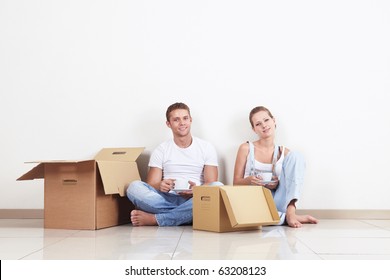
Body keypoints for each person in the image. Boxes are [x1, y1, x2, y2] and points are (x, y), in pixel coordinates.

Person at [126, 102, 222, 226]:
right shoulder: (161, 149)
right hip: (165, 198)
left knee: (218, 186)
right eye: (176, 119)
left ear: (190, 120)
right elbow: (152, 183)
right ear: (168, 124)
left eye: (185, 118)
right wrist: (160, 185)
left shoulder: (206, 147)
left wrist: (196, 190)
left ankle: (157, 219)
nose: (182, 123)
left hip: (195, 198)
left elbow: (211, 182)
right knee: (134, 187)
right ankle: (186, 215)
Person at [233, 106, 318, 228]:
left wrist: (276, 185)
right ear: (253, 129)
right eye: (258, 124)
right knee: (242, 213)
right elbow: (235, 183)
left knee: (297, 155)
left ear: (274, 120)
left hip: (277, 201)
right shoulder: (245, 148)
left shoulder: (285, 153)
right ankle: (287, 218)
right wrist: (249, 180)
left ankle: (290, 211)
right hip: (253, 201)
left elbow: (291, 183)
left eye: (266, 120)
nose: (264, 125)